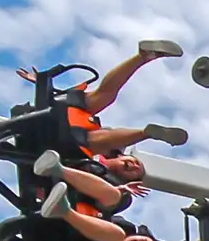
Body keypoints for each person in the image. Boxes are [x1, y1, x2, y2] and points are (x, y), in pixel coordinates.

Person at [17, 40, 189, 155]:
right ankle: (144, 57)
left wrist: (42, 84)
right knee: (102, 100)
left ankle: (143, 57)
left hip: (64, 130)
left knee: (103, 102)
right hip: (69, 129)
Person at [32, 152, 160, 241]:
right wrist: (120, 189)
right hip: (75, 204)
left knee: (117, 236)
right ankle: (56, 168)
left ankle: (63, 210)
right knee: (116, 196)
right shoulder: (118, 225)